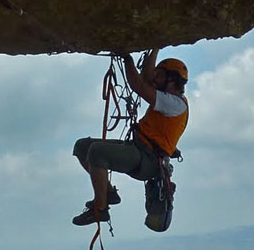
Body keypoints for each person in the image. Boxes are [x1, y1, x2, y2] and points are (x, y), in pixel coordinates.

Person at [72, 49, 189, 225]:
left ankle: (100, 209)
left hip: (147, 159)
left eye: (159, 74)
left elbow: (139, 85)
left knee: (96, 152)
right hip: (138, 149)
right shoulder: (168, 99)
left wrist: (127, 58)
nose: (155, 78)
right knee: (82, 146)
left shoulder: (174, 104)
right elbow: (146, 79)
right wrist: (155, 48)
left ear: (171, 79)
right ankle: (108, 193)